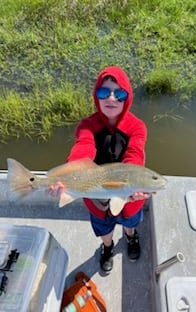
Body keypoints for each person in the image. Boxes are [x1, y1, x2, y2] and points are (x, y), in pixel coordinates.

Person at [52, 66, 150, 273]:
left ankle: (131, 237)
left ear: (127, 97)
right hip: (95, 197)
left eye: (119, 93)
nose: (112, 99)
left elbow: (135, 154)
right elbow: (83, 148)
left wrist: (131, 186)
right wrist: (68, 175)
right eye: (104, 92)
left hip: (130, 196)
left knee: (130, 221)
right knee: (103, 227)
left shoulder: (137, 126)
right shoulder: (87, 125)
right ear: (96, 96)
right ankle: (108, 247)